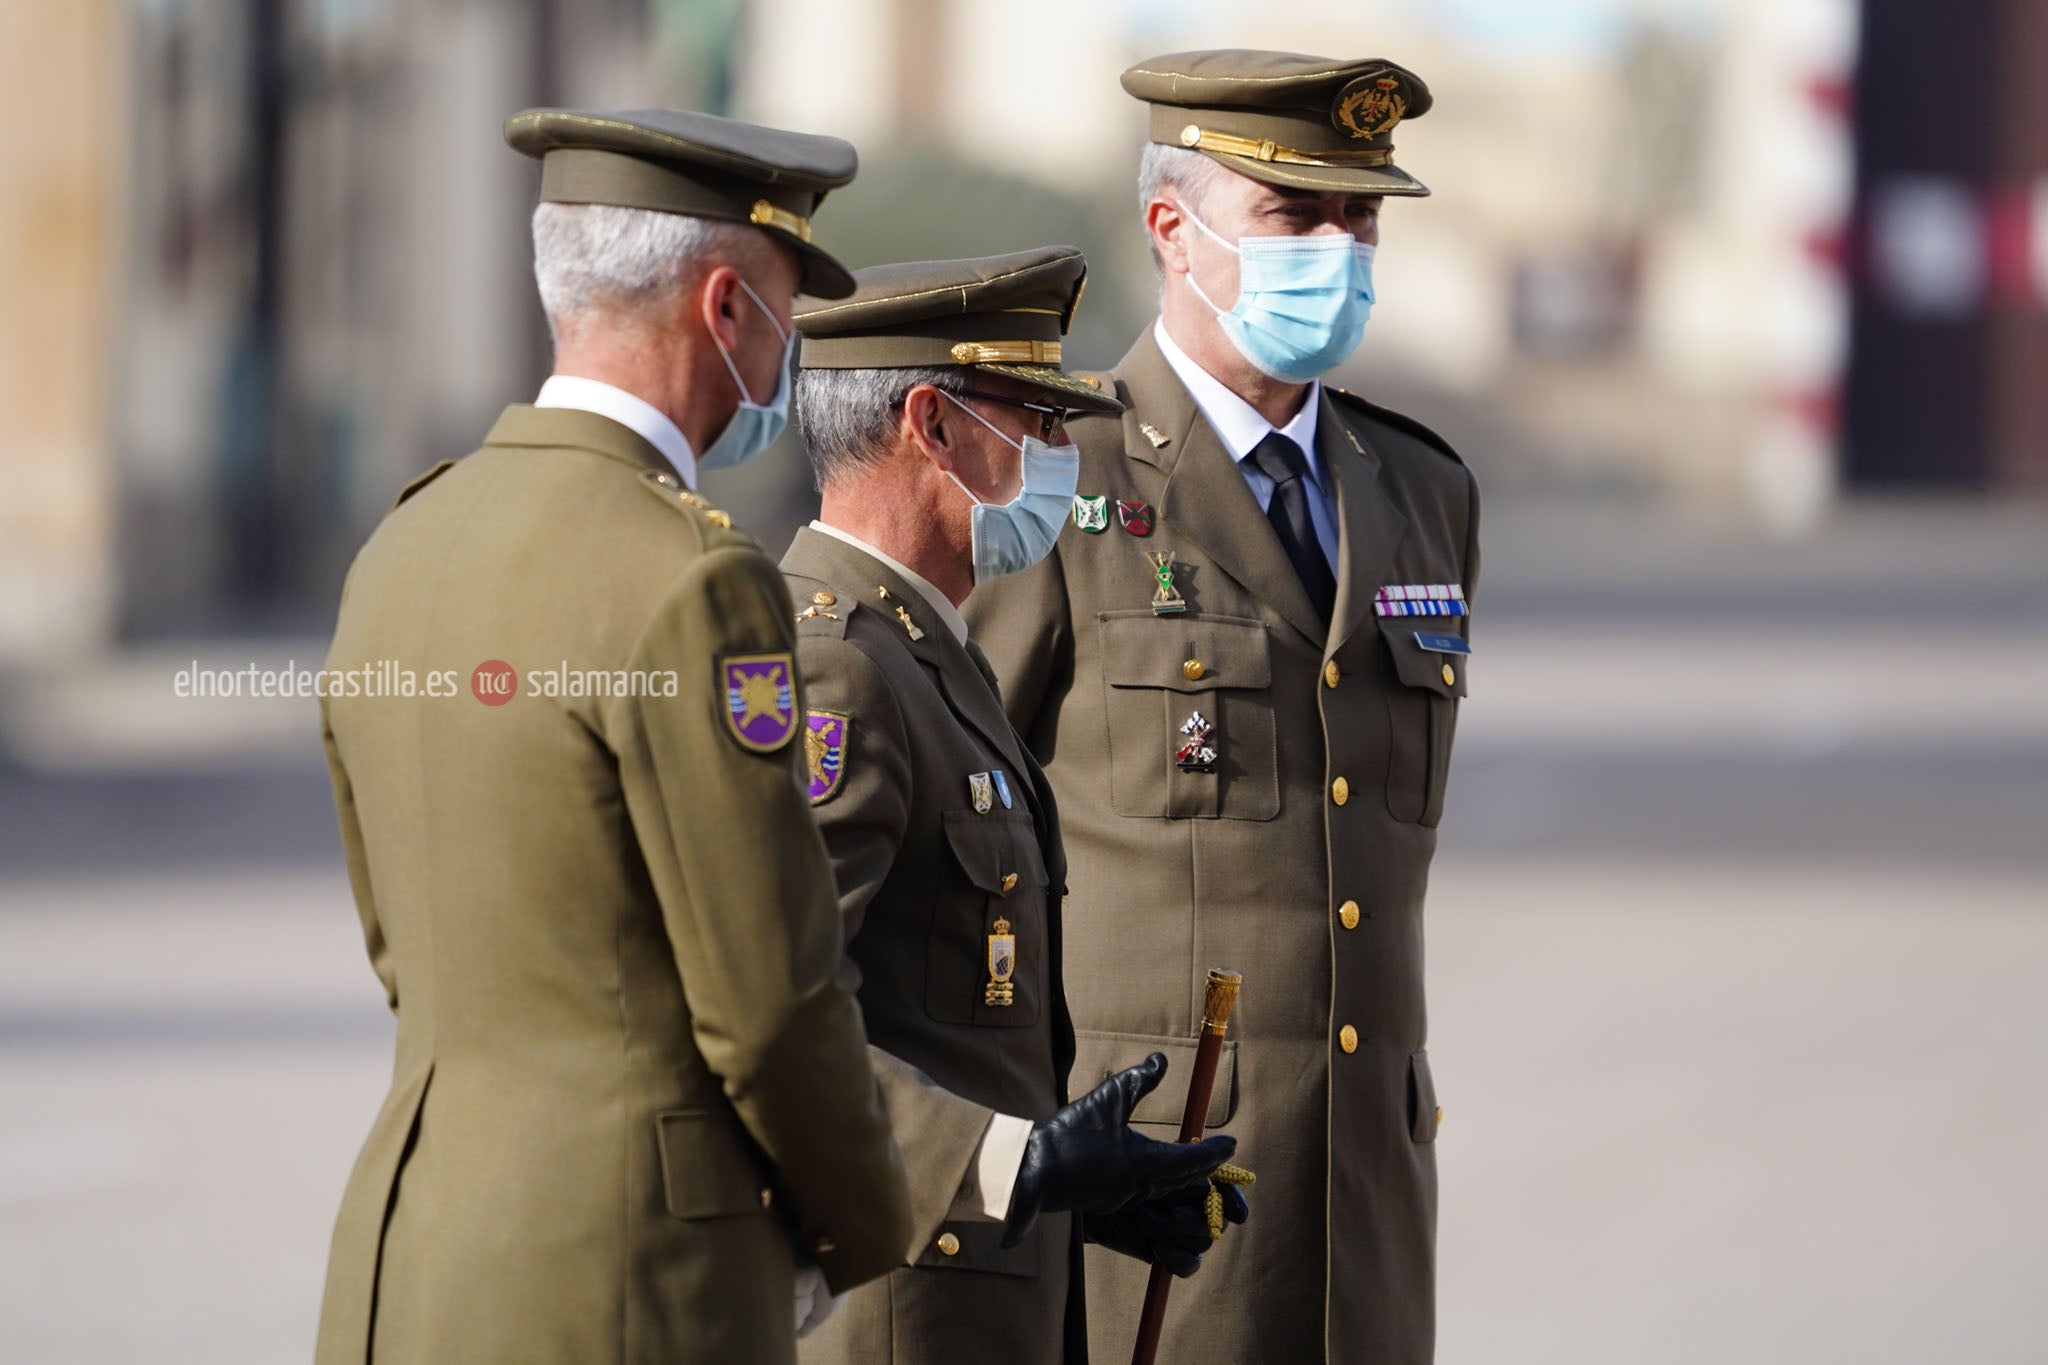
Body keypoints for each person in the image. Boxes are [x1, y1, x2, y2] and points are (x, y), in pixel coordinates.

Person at [313, 106, 912, 1365]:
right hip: (631, 1274)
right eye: (787, 314)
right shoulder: (688, 578)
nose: (789, 355)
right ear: (725, 311)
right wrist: (863, 1225)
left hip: (413, 1251)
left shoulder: (403, 546)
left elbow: (400, 947)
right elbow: (768, 999)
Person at [961, 53, 1482, 1364]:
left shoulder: (1419, 494)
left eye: (1361, 221)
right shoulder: (1050, 476)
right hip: (1141, 1195)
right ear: (1171, 233)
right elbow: (954, 852)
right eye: (1295, 218)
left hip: (1363, 1197)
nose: (1341, 253)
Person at [782, 246, 1247, 1365]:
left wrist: (1082, 1179)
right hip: (899, 1312)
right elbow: (778, 1016)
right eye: (1034, 423)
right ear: (932, 427)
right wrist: (1013, 1161)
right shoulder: (835, 666)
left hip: (982, 1298)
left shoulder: (924, 650)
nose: (1060, 458)